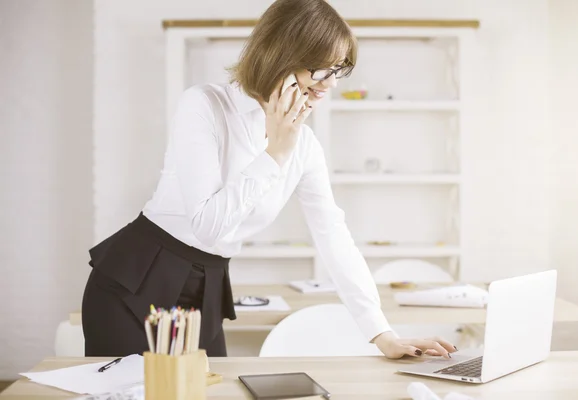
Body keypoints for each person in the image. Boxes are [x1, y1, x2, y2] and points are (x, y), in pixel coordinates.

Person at [82, 0, 457, 359]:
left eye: (338, 70)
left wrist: (382, 334)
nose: (330, 85)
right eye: (322, 70)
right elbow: (207, 227)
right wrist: (274, 153)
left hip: (207, 287)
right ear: (283, 56)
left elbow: (334, 237)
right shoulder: (204, 106)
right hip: (137, 280)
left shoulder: (305, 145)